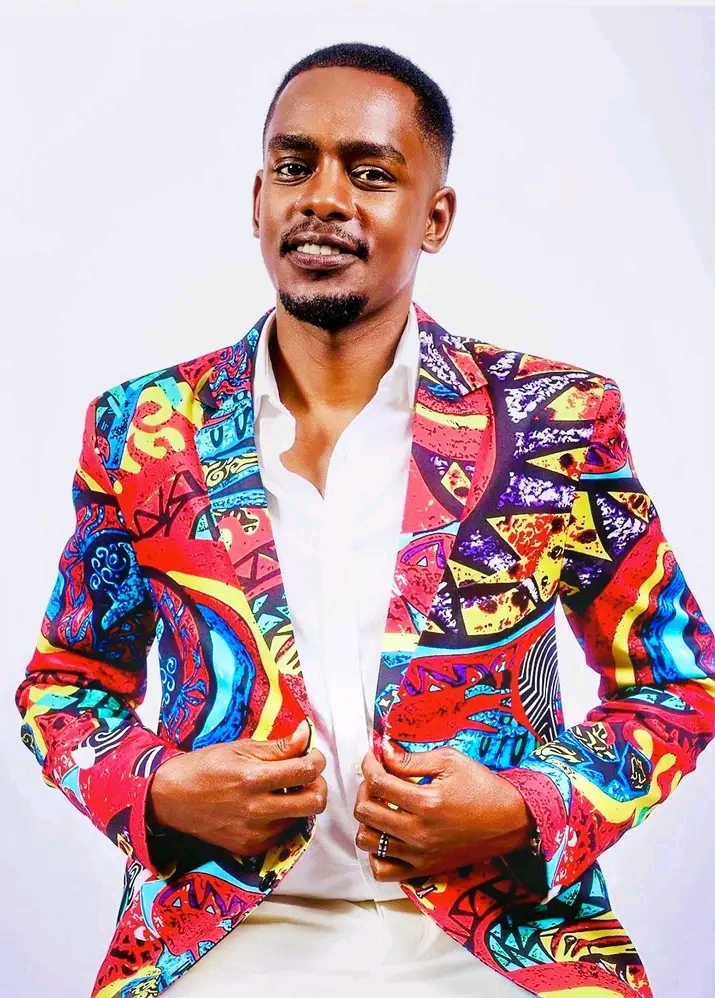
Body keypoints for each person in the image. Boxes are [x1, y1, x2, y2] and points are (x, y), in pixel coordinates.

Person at [16, 41, 715, 998]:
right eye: (293, 166)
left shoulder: (554, 421)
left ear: (435, 217)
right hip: (221, 939)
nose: (323, 198)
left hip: (502, 945)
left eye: (371, 173)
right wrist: (157, 788)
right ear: (257, 199)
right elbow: (66, 687)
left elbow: (677, 681)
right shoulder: (145, 431)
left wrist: (524, 806)